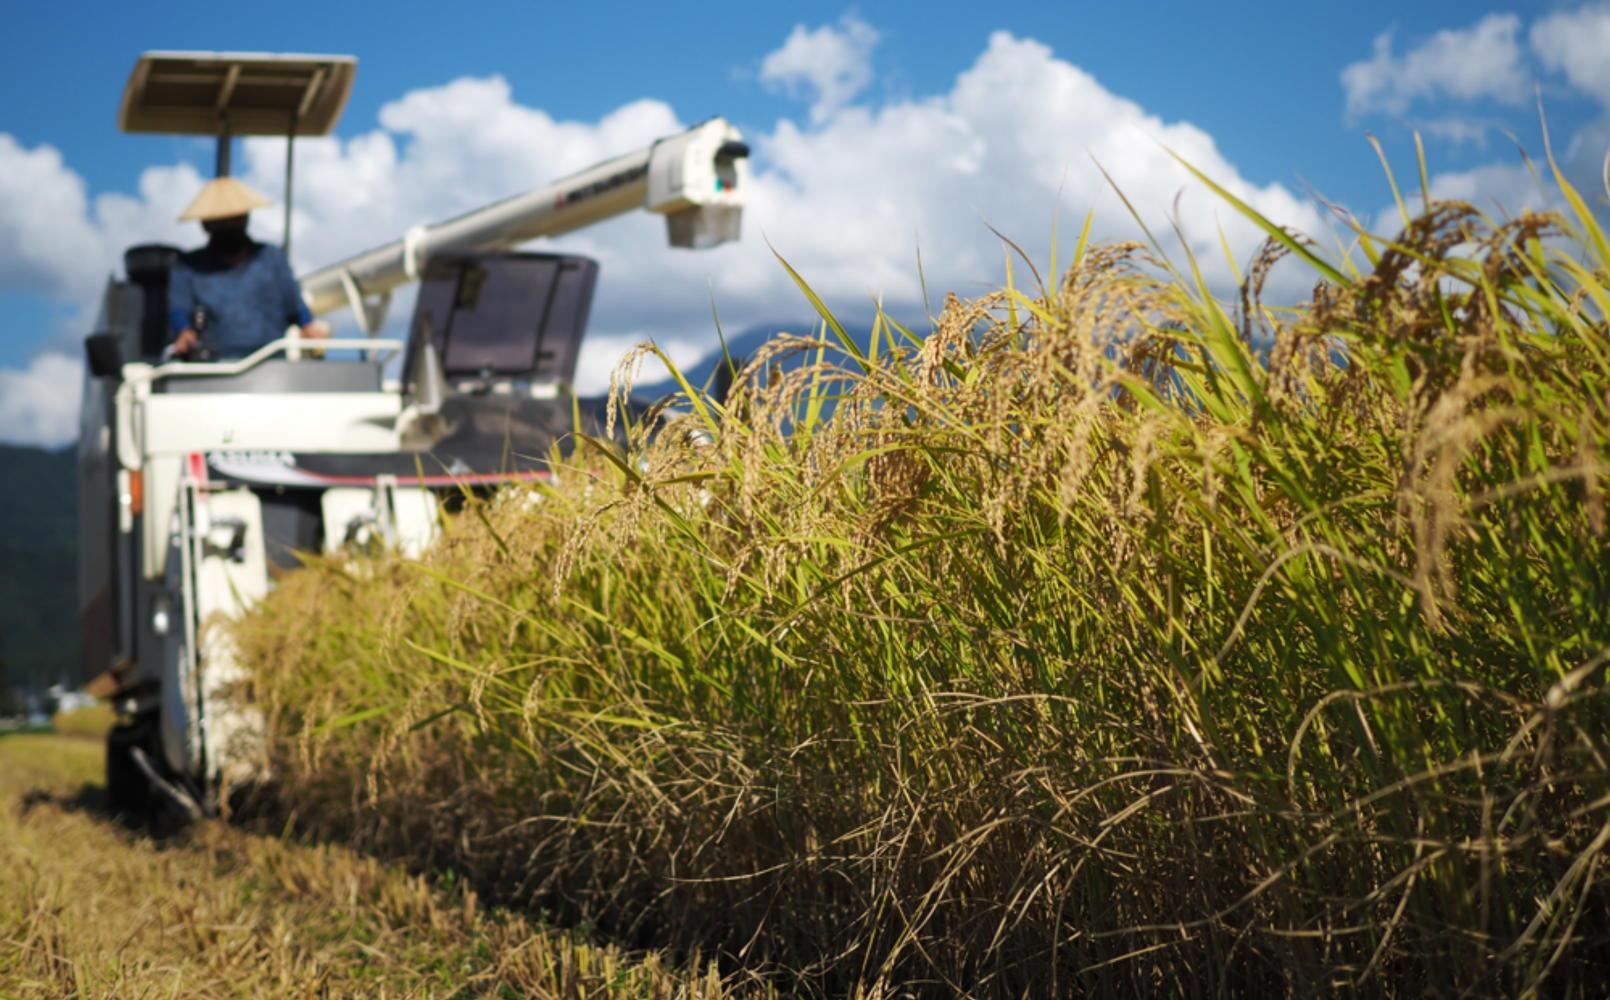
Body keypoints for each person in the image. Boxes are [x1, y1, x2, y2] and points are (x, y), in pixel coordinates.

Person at [167, 177, 327, 359]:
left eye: (235, 219)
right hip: (215, 369)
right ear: (206, 225)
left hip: (272, 366)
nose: (230, 225)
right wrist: (184, 332)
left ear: (245, 218)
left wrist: (309, 327)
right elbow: (179, 310)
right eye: (222, 221)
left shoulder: (272, 257)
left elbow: (295, 306)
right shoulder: (188, 266)